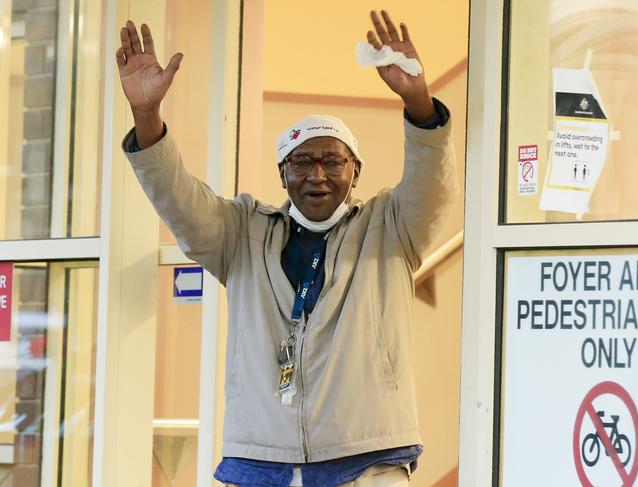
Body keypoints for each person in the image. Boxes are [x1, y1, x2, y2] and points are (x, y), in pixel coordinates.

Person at [117, 10, 458, 487]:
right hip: (260, 458)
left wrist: (418, 101)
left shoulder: (390, 226)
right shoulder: (241, 232)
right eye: (301, 162)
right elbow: (180, 202)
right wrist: (147, 117)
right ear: (282, 174)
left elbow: (432, 187)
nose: (317, 175)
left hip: (367, 458)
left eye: (332, 161)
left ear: (355, 171)